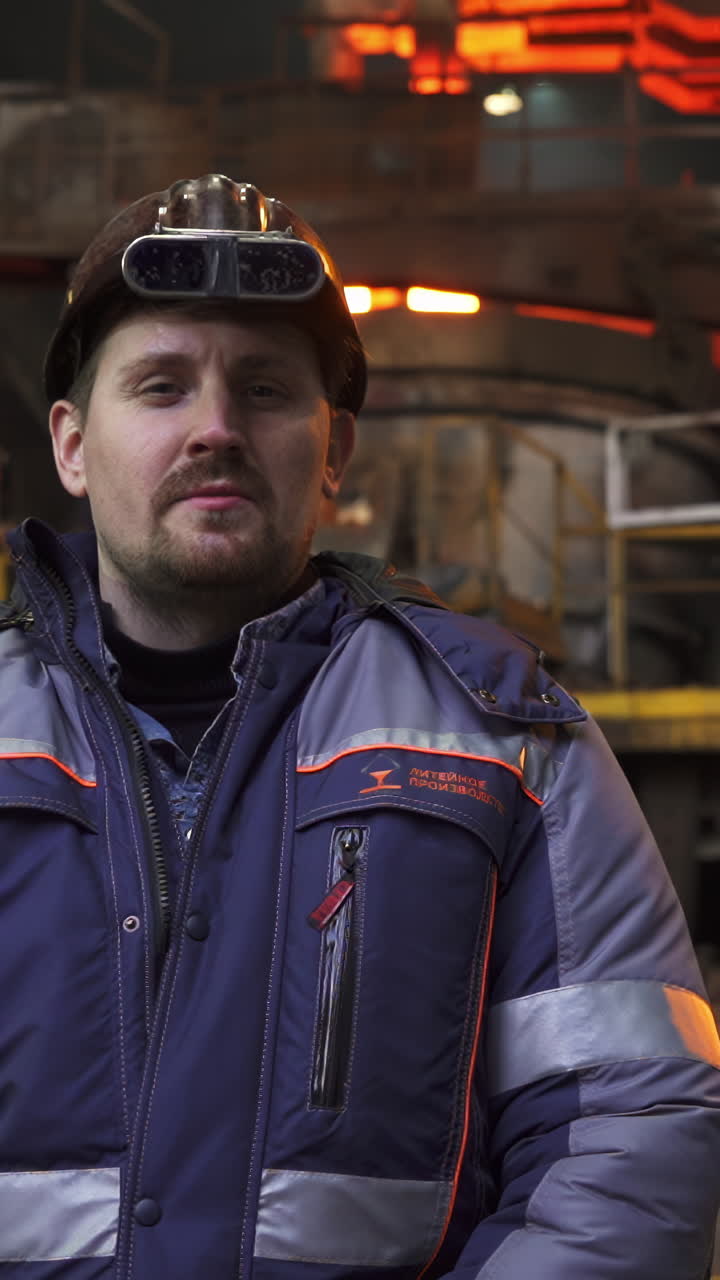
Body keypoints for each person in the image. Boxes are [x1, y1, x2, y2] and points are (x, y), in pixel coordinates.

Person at [0, 173, 718, 1280]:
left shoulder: (508, 742)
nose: (217, 430)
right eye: (160, 386)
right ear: (72, 446)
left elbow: (630, 1125)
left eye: (266, 389)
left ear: (333, 450)